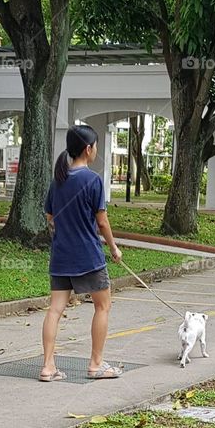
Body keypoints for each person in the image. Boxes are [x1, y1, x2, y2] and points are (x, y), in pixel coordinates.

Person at [40, 124, 123, 382]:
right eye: (96, 145)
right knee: (103, 306)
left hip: (61, 256)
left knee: (55, 310)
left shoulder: (58, 181)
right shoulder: (93, 180)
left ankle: (48, 367)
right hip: (89, 256)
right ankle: (96, 364)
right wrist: (113, 247)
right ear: (88, 149)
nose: (96, 149)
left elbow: (50, 217)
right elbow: (102, 222)